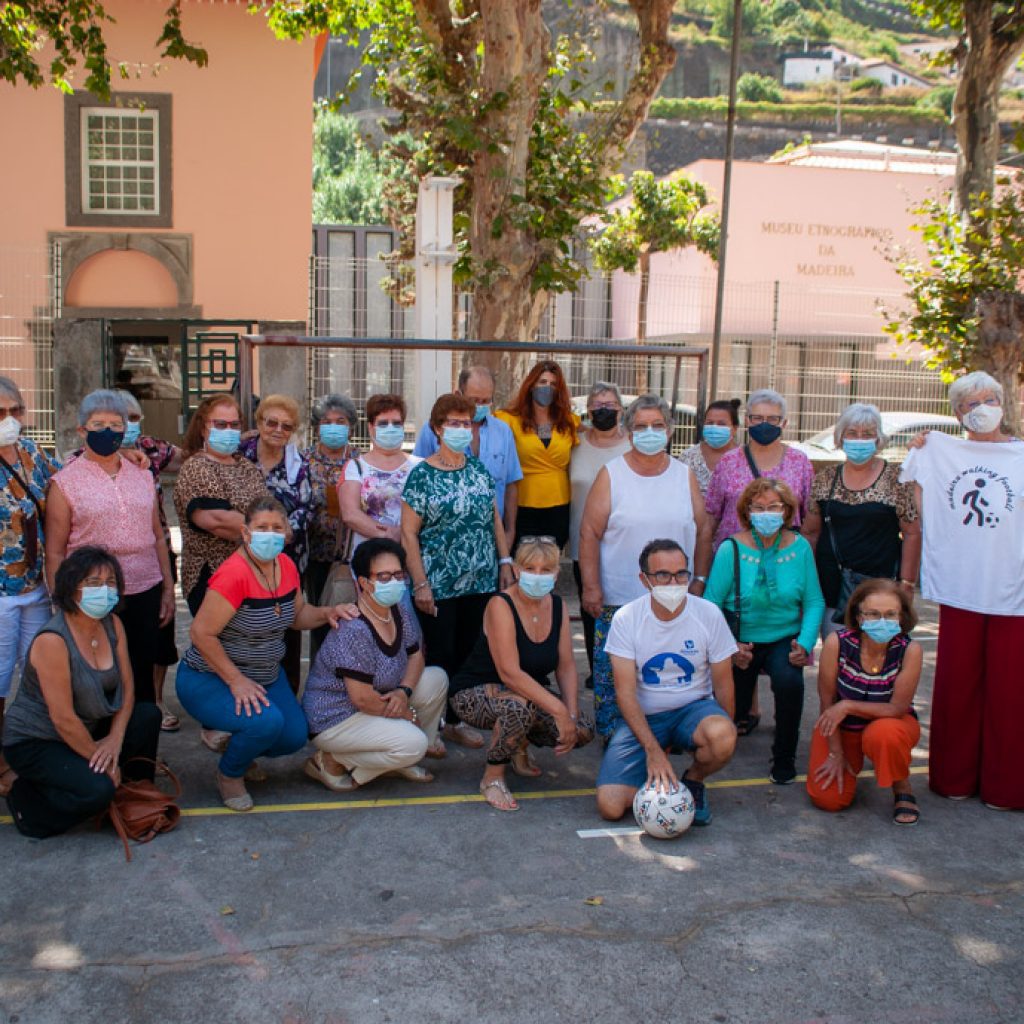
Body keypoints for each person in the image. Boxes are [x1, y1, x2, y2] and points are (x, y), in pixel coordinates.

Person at [175, 497, 355, 812]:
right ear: (245, 533)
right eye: (261, 528)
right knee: (266, 723)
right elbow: (201, 633)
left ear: (287, 532)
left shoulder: (285, 566)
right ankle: (229, 774)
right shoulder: (233, 574)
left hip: (265, 675)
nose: (269, 534)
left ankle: (238, 747)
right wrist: (235, 681)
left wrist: (329, 612)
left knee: (295, 735)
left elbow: (297, 616)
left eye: (276, 527)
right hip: (211, 677)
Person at [900, 370, 1024, 810]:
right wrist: (921, 449)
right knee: (956, 686)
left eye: (990, 398)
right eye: (971, 403)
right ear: (957, 413)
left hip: (1014, 592)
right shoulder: (939, 451)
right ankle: (953, 777)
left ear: (1004, 404)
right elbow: (914, 499)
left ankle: (1007, 787)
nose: (982, 408)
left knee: (1012, 693)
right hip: (960, 587)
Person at [2, 547, 161, 839]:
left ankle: (135, 799)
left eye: (110, 582)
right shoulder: (53, 639)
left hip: (86, 723)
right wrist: (103, 762)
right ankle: (27, 803)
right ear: (71, 588)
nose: (104, 590)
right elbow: (62, 718)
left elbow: (128, 689)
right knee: (97, 789)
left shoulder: (112, 624)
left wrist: (114, 740)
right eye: (92, 583)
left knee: (148, 715)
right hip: (38, 739)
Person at [579, 394, 712, 739]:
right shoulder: (612, 474)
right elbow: (590, 532)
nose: (649, 432)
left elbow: (703, 528)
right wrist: (591, 586)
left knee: (667, 672)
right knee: (614, 674)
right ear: (627, 431)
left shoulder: (684, 475)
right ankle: (615, 736)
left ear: (669, 431)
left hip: (675, 598)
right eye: (640, 426)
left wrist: (698, 579)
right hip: (619, 597)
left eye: (657, 426)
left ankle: (669, 733)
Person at [595, 539, 738, 826]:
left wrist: (725, 738)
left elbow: (724, 686)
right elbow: (625, 694)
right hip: (645, 717)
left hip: (693, 710)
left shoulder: (709, 614)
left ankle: (693, 780)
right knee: (611, 806)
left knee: (723, 736)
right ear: (644, 580)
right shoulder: (626, 619)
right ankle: (659, 779)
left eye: (681, 574)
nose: (674, 582)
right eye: (662, 575)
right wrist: (652, 750)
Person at [45, 390, 174, 707]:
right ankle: (100, 751)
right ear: (81, 430)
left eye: (116, 424)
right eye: (98, 423)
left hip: (145, 589)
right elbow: (55, 551)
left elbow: (158, 536)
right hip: (91, 594)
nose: (108, 431)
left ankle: (140, 755)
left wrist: (168, 588)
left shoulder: (142, 474)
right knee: (97, 677)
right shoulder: (66, 482)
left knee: (141, 673)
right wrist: (61, 600)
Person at [402, 393, 516, 749]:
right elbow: (408, 532)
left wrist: (505, 561)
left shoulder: (478, 469)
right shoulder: (421, 475)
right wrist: (420, 583)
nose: (460, 429)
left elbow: (493, 518)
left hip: (480, 581)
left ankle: (453, 721)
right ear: (437, 428)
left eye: (465, 423)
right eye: (452, 423)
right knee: (439, 655)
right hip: (438, 584)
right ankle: (429, 726)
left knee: (469, 651)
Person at [449, 537, 595, 812]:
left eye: (545, 569)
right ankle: (492, 777)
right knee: (518, 708)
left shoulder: (559, 606)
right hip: (474, 691)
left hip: (527, 694)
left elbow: (565, 666)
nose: (537, 576)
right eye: (530, 568)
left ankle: (517, 747)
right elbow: (510, 674)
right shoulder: (500, 604)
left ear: (556, 573)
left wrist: (571, 715)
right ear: (516, 570)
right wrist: (559, 711)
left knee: (584, 730)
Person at [302, 538, 448, 792]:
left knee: (437, 679)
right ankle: (332, 760)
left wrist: (404, 692)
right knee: (414, 744)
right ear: (363, 583)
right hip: (337, 717)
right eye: (383, 576)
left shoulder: (397, 610)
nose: (393, 582)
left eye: (398, 574)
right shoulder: (354, 628)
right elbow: (362, 699)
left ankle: (397, 755)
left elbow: (416, 656)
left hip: (381, 696)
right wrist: (407, 715)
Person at [705, 478, 825, 785]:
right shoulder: (729, 549)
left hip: (784, 637)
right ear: (747, 511)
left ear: (786, 511)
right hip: (740, 638)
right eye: (758, 507)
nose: (766, 513)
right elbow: (710, 605)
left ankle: (784, 757)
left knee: (789, 684)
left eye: (774, 507)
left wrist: (806, 642)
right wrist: (730, 646)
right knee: (736, 708)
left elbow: (813, 600)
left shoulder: (799, 548)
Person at [807, 579, 923, 825]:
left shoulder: (910, 650)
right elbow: (827, 703)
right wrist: (836, 753)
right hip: (840, 725)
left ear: (901, 617)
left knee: (885, 734)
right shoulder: (837, 643)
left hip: (889, 723)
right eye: (873, 614)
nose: (882, 621)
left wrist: (847, 705)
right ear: (859, 617)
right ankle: (851, 759)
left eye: (891, 614)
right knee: (828, 800)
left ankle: (901, 784)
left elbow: (897, 708)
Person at [801, 403, 920, 636]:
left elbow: (912, 533)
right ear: (840, 437)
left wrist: (907, 584)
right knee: (836, 655)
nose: (859, 439)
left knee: (878, 659)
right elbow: (810, 533)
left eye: (867, 434)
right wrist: (806, 585)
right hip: (832, 588)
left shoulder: (897, 479)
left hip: (881, 589)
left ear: (878, 439)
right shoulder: (826, 478)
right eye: (852, 433)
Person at [0, 376, 61, 795]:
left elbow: (67, 484)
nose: (8, 420)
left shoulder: (34, 454)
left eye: (14, 411)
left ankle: (25, 754)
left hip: (36, 589)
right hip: (0, 595)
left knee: (38, 677)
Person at [115, 389, 185, 732]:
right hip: (109, 564)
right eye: (121, 418)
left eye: (134, 418)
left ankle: (155, 699)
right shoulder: (81, 459)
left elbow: (189, 457)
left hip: (155, 553)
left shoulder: (152, 450)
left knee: (160, 630)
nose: (129, 425)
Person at [241, 394, 314, 692]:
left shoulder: (299, 464)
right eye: (271, 423)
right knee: (245, 627)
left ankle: (287, 691)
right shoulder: (238, 456)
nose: (278, 430)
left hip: (287, 558)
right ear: (259, 423)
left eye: (286, 426)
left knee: (287, 626)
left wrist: (282, 531)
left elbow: (308, 507)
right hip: (244, 559)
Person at [172, 392, 268, 616]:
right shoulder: (197, 468)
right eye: (220, 424)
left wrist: (262, 526)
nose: (229, 430)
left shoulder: (245, 466)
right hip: (214, 576)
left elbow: (267, 507)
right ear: (204, 428)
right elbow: (217, 521)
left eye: (234, 425)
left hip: (252, 572)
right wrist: (268, 529)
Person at [414, 366, 523, 548]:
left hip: (491, 538)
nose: (479, 406)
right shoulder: (433, 429)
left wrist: (509, 532)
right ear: (458, 393)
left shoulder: (503, 431)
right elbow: (417, 481)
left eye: (486, 401)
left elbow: (511, 484)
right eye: (474, 400)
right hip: (442, 540)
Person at [568, 381, 630, 690]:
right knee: (590, 604)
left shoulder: (633, 443)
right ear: (588, 410)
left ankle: (624, 667)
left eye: (610, 405)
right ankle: (598, 670)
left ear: (621, 410)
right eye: (598, 406)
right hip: (583, 539)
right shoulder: (574, 443)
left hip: (625, 542)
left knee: (624, 607)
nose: (603, 410)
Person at [705, 389, 814, 550]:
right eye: (757, 418)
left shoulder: (800, 462)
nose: (764, 424)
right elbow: (711, 517)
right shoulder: (729, 462)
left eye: (772, 419)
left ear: (783, 423)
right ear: (747, 421)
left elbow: (810, 519)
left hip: (785, 558)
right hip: (736, 559)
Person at [495, 360, 579, 550]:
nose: (547, 388)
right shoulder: (508, 419)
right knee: (522, 565)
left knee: (550, 566)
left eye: (553, 384)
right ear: (531, 384)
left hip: (559, 507)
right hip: (522, 505)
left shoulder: (569, 422)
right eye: (542, 382)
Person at [303, 393, 360, 661]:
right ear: (317, 426)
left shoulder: (361, 461)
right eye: (327, 421)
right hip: (313, 555)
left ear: (350, 426)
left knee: (351, 621)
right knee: (319, 619)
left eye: (340, 421)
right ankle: (320, 679)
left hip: (351, 557)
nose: (334, 426)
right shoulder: (303, 462)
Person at [341, 393, 421, 551]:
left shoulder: (420, 466)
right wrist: (390, 535)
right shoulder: (355, 467)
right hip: (368, 557)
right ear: (371, 427)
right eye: (383, 424)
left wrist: (406, 535)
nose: (391, 428)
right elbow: (351, 514)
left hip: (412, 556)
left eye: (396, 423)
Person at [678, 398, 742, 494]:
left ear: (734, 428)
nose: (714, 427)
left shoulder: (745, 458)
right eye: (710, 423)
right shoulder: (689, 457)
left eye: (721, 424)